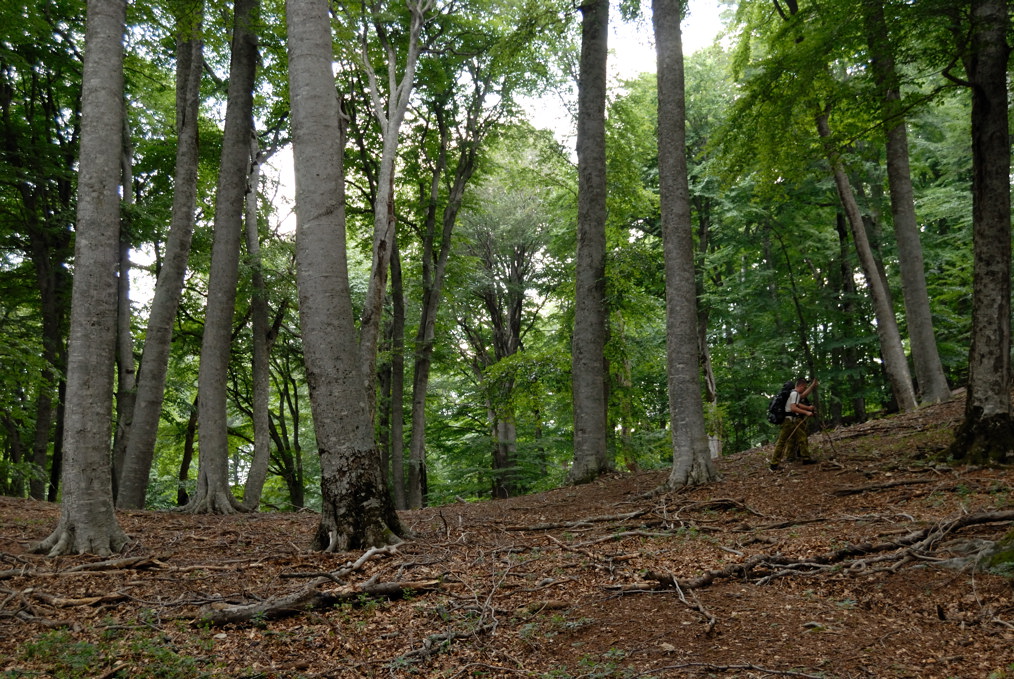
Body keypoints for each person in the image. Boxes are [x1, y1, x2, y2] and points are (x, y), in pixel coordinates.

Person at [768, 377, 818, 470]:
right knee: (782, 442)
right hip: (789, 421)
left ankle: (806, 458)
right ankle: (774, 464)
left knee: (802, 438)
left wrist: (808, 408)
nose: (804, 389)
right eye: (804, 387)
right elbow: (793, 408)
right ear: (801, 385)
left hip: (792, 421)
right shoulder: (794, 393)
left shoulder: (794, 394)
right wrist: (807, 412)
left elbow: (800, 400)